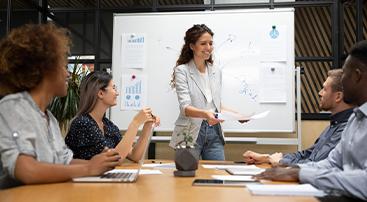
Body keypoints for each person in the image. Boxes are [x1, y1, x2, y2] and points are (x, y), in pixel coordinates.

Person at [0, 23, 120, 189]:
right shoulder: (13, 107)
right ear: (45, 68)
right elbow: (26, 169)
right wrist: (88, 168)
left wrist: (97, 164)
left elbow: (65, 162)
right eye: (63, 65)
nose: (67, 73)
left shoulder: (50, 119)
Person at [255, 40, 367, 200]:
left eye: (345, 74)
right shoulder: (355, 120)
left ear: (357, 76)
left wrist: (299, 173)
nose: (342, 81)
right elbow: (332, 163)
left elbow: (364, 183)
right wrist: (292, 170)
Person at [243, 69, 353, 166]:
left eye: (324, 89)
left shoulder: (346, 129)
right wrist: (270, 158)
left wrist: (280, 161)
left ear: (338, 96)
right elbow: (307, 154)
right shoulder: (334, 125)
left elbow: (315, 164)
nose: (320, 93)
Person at [169, 24, 246, 160]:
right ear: (192, 46)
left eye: (211, 43)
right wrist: (206, 114)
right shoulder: (182, 71)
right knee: (187, 177)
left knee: (216, 176)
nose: (208, 48)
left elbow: (215, 105)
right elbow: (185, 108)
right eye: (203, 43)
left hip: (214, 133)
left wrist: (237, 115)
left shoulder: (216, 70)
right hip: (190, 132)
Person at [65, 71, 160, 161]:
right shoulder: (82, 123)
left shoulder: (108, 125)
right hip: (83, 178)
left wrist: (147, 126)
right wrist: (135, 123)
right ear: (101, 93)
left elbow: (134, 155)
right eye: (114, 88)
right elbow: (115, 159)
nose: (117, 93)